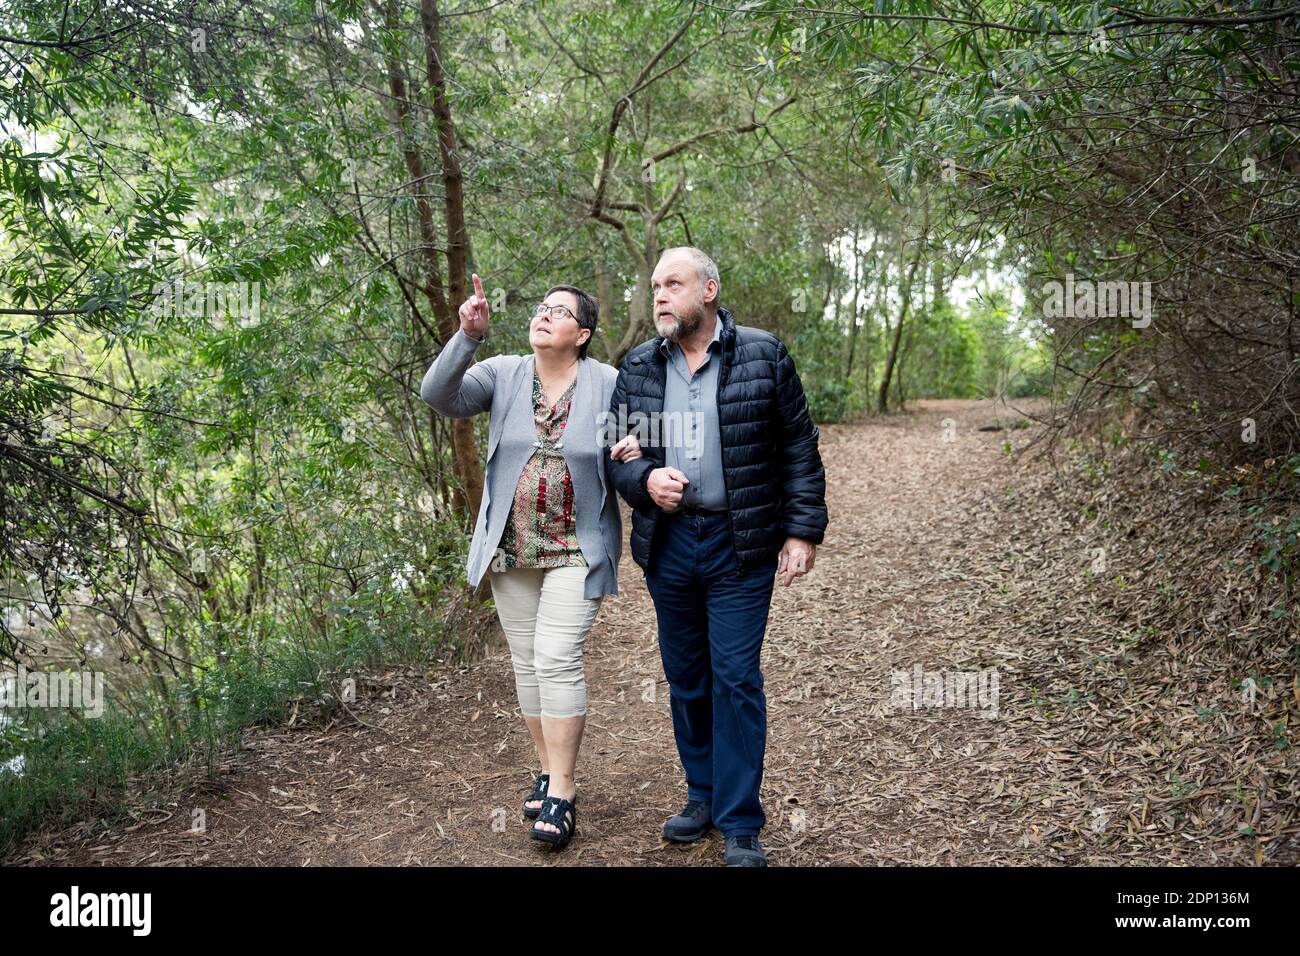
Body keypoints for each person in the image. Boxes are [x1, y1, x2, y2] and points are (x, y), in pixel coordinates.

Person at [607, 247, 828, 867]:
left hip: (741, 543)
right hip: (670, 543)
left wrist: (802, 530)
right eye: (654, 285)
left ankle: (739, 821)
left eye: (671, 283)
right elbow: (617, 456)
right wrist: (645, 481)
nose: (658, 296)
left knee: (734, 677)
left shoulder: (763, 353)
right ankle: (701, 796)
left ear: (709, 289)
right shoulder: (640, 367)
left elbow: (797, 449)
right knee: (687, 678)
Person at [420, 274, 640, 850]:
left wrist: (636, 448)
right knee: (526, 662)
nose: (543, 315)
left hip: (577, 548)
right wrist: (467, 337)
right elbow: (438, 396)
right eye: (541, 307)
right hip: (511, 547)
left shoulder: (609, 384)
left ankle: (563, 792)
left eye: (559, 311)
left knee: (555, 654)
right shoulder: (503, 373)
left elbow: (637, 443)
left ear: (582, 333)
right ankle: (546, 771)